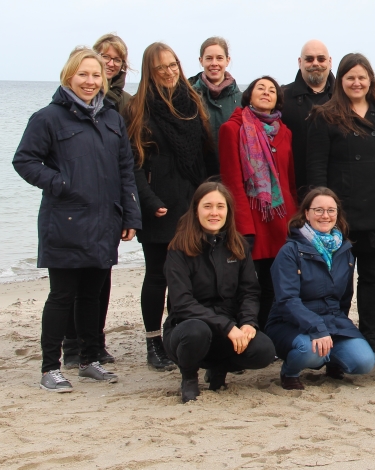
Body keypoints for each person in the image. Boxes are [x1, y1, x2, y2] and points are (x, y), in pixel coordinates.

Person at [13, 47, 141, 392]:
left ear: (104, 79)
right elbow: (25, 161)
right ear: (69, 75)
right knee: (62, 295)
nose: (90, 81)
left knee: (92, 294)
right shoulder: (48, 118)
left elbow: (125, 169)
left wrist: (131, 214)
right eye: (83, 74)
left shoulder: (112, 117)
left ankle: (89, 359)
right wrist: (61, 183)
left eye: (96, 75)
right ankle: (50, 367)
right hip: (65, 219)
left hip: (105, 221)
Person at [307, 53, 375, 357]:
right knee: (338, 277)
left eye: (362, 77)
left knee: (370, 277)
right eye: (350, 77)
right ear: (341, 81)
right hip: (341, 211)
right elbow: (316, 167)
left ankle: (369, 334)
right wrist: (318, 208)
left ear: (370, 80)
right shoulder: (324, 115)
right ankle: (338, 329)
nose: (356, 82)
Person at [126, 42, 218, 370]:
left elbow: (205, 152)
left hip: (191, 202)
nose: (168, 72)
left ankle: (176, 334)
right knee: (157, 275)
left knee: (189, 277)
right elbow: (132, 163)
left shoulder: (191, 102)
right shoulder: (139, 107)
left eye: (172, 65)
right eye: (160, 68)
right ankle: (153, 343)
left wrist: (212, 195)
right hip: (159, 205)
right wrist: (148, 201)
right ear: (150, 73)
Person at [59, 33, 136, 367]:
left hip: (108, 206)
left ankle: (94, 342)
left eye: (116, 58)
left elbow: (127, 160)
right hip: (73, 209)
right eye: (104, 56)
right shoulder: (67, 104)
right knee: (71, 281)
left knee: (99, 282)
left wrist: (131, 210)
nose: (110, 63)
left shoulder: (123, 104)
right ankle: (72, 344)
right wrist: (62, 182)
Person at [162, 183, 277, 402]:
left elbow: (249, 292)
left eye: (220, 206)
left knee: (264, 350)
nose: (214, 212)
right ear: (196, 210)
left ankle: (218, 369)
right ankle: (189, 378)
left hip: (228, 327)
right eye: (207, 206)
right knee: (196, 331)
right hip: (186, 328)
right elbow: (182, 303)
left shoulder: (238, 245)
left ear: (228, 211)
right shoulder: (179, 248)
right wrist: (227, 327)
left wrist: (248, 323)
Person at [268, 188, 375, 389]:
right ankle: (290, 372)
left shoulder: (344, 250)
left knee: (364, 362)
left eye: (330, 210)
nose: (325, 215)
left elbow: (344, 298)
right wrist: (317, 328)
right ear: (306, 214)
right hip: (290, 323)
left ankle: (332, 359)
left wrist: (338, 328)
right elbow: (287, 300)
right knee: (312, 352)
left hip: (332, 321)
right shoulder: (290, 251)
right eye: (318, 210)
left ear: (337, 214)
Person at [218, 76, 296, 330]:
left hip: (281, 220)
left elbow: (290, 180)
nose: (266, 92)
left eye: (272, 90)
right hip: (251, 220)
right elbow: (231, 182)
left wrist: (295, 221)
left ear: (277, 100)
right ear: (248, 95)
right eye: (260, 88)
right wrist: (243, 227)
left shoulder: (285, 132)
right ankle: (245, 333)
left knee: (275, 283)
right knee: (248, 284)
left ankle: (268, 333)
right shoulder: (233, 129)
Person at [282, 40, 335, 198]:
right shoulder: (282, 98)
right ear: (300, 62)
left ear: (330, 62)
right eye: (309, 59)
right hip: (293, 191)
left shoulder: (344, 99)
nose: (315, 63)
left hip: (336, 192)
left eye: (321, 59)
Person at [189, 37, 241, 145]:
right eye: (209, 58)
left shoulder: (242, 100)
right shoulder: (189, 97)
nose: (214, 63)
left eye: (219, 58)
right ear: (201, 61)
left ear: (227, 61)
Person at [93, 33, 133, 114]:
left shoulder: (128, 102)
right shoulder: (84, 91)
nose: (111, 64)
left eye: (117, 60)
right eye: (105, 56)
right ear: (94, 56)